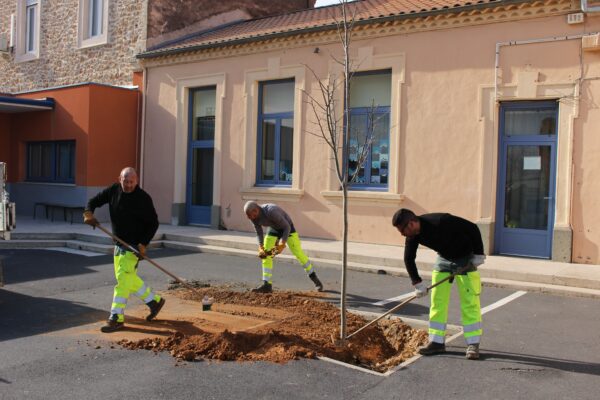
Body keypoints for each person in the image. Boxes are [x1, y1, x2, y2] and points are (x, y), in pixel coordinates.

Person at [392, 208, 485, 360]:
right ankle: (436, 342)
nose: (402, 235)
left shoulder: (441, 220)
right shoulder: (412, 236)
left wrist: (479, 253)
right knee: (437, 301)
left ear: (412, 223)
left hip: (465, 259)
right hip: (444, 259)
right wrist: (417, 283)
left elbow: (472, 228)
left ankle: (473, 344)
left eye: (402, 231)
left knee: (470, 302)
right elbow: (408, 258)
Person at [83, 167, 164, 333]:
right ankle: (154, 301)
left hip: (133, 247)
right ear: (119, 179)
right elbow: (94, 201)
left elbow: (153, 223)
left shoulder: (143, 198)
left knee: (122, 280)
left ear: (137, 181)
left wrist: (143, 244)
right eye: (125, 181)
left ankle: (116, 317)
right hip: (119, 244)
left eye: (131, 182)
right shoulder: (114, 190)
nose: (128, 185)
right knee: (128, 278)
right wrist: (88, 213)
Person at [244, 201, 323, 293]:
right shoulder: (253, 217)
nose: (249, 218)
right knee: (265, 255)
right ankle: (267, 285)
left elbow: (287, 227)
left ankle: (315, 279)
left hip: (287, 228)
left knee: (298, 253)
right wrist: (260, 246)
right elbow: (259, 231)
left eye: (250, 215)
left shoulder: (271, 211)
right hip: (274, 228)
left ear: (256, 210)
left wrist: (282, 243)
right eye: (248, 216)